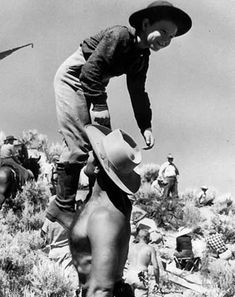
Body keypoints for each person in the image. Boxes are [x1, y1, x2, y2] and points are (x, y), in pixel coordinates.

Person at [45, 1, 192, 230]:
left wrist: (146, 126)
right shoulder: (120, 35)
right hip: (75, 79)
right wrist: (100, 104)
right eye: (163, 31)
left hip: (93, 86)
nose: (166, 40)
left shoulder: (142, 56)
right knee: (80, 144)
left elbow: (137, 91)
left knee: (107, 148)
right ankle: (62, 207)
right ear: (145, 23)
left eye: (171, 37)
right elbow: (89, 70)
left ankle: (91, 205)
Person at [69, 125, 143, 297]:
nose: (88, 155)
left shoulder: (104, 217)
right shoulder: (103, 203)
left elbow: (102, 288)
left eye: (94, 154)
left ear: (101, 168)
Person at [125, 227, 160, 297]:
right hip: (141, 275)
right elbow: (156, 267)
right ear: (147, 238)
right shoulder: (150, 249)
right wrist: (157, 282)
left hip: (129, 274)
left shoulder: (131, 247)